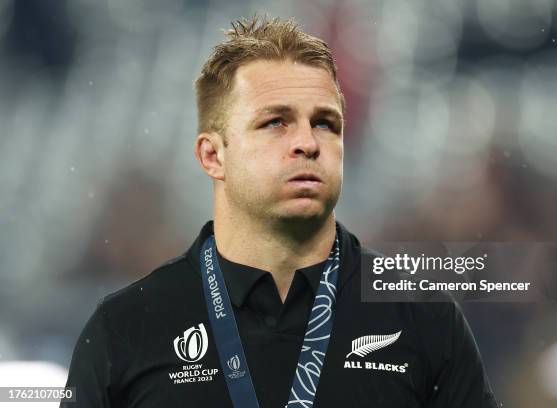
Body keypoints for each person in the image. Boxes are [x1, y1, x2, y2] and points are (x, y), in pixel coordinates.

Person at [62, 16, 498, 408]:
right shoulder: (126, 327)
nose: (308, 143)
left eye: (325, 123)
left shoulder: (423, 317)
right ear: (213, 156)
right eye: (275, 122)